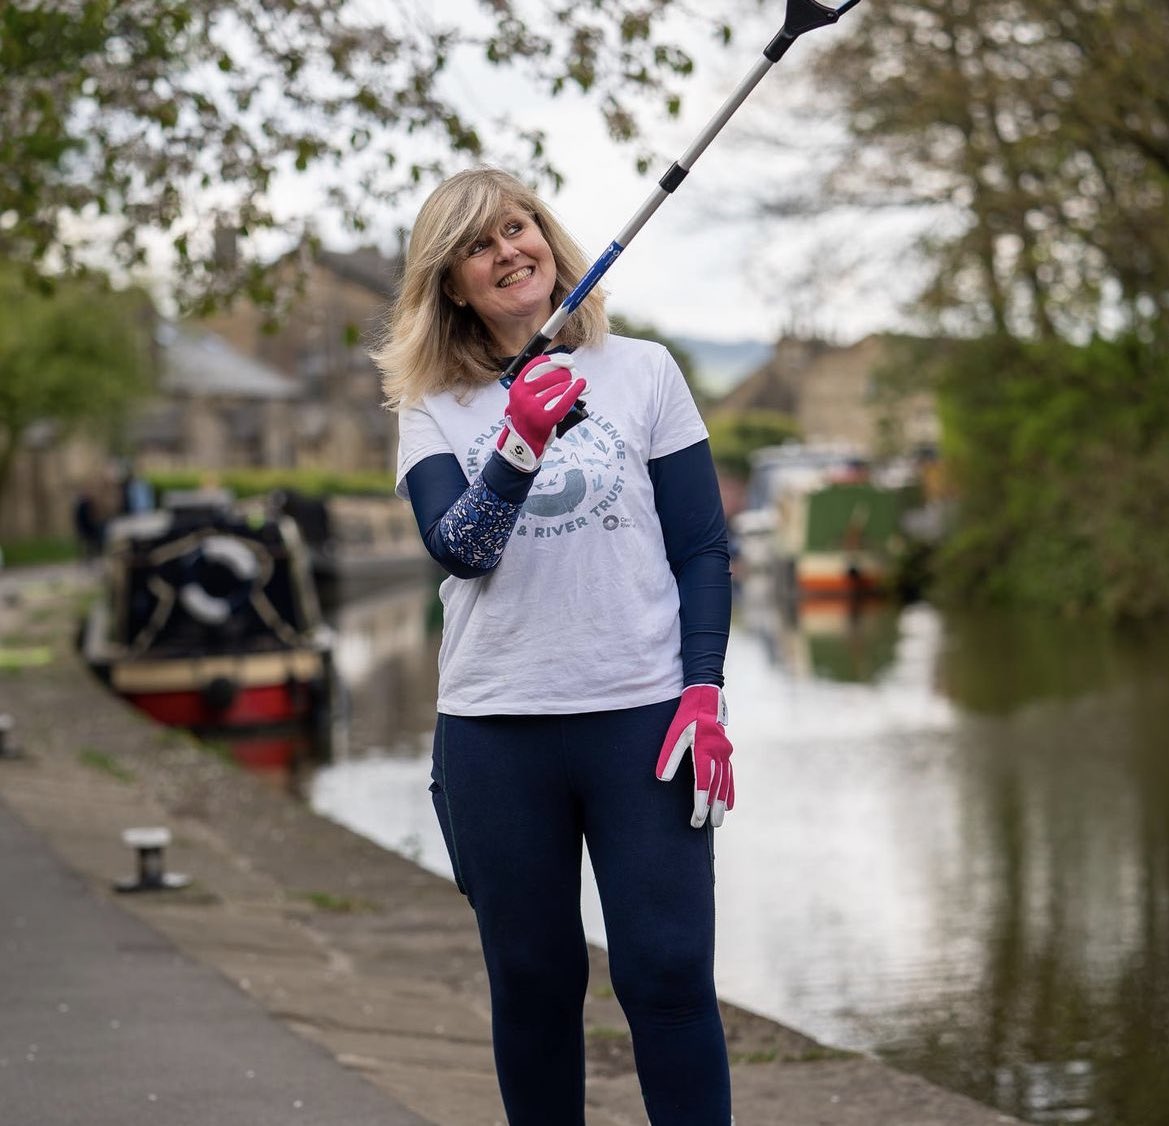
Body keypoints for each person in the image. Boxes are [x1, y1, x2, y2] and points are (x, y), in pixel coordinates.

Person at [373, 165, 735, 1125]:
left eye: (518, 227)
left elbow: (701, 546)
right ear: (450, 283)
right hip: (497, 730)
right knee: (533, 984)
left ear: (550, 238)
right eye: (477, 245)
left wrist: (703, 692)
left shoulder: (643, 370)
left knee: (665, 976)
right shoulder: (433, 406)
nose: (507, 252)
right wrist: (518, 443)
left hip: (643, 722)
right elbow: (462, 548)